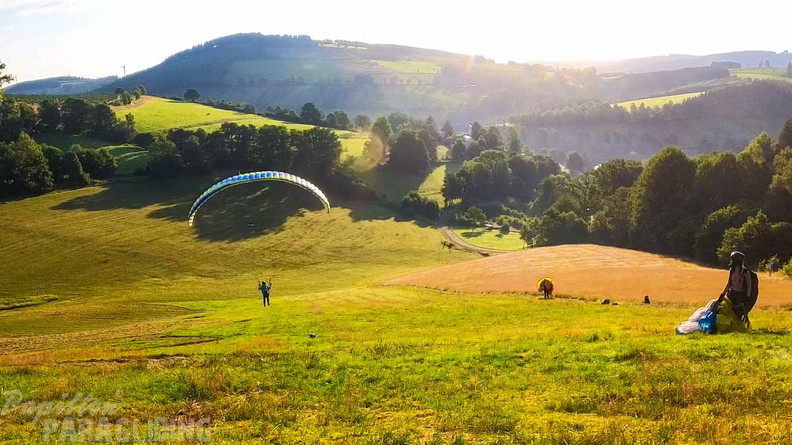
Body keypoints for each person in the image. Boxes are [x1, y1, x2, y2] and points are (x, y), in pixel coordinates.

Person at [719, 251, 757, 329]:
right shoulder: (732, 270)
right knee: (729, 310)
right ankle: (730, 326)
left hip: (741, 295)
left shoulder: (746, 272)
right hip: (732, 293)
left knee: (738, 312)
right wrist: (723, 294)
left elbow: (749, 286)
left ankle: (738, 326)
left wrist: (747, 297)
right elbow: (729, 283)